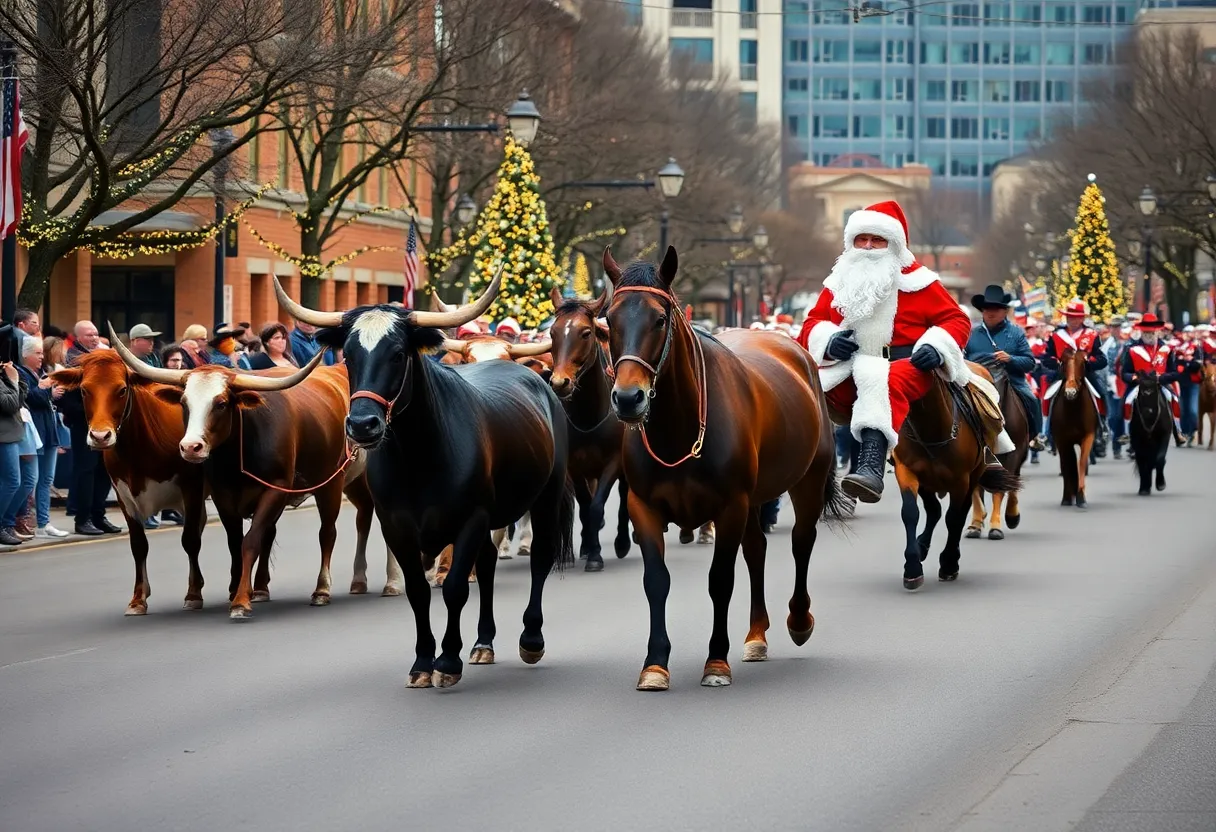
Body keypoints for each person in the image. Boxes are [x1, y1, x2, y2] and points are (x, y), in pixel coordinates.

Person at [796, 199, 1013, 503]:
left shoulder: (920, 281)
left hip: (909, 364)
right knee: (798, 389)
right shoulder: (839, 280)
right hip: (851, 363)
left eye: (877, 239)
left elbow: (956, 319)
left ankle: (871, 467)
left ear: (893, 242)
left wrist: (936, 347)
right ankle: (789, 465)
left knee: (884, 381)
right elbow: (813, 322)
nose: (869, 246)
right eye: (862, 239)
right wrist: (828, 340)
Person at [60, 320, 121, 536]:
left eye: (96, 334)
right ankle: (82, 519)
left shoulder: (103, 360)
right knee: (86, 471)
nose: (94, 338)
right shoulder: (74, 363)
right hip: (84, 426)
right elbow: (67, 403)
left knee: (103, 471)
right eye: (88, 335)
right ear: (78, 338)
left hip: (104, 426)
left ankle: (98, 515)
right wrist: (93, 414)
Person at [964, 285, 1044, 450]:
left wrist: (1011, 359)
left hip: (1012, 380)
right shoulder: (970, 334)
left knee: (1032, 399)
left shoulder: (1016, 333)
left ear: (1004, 311)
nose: (990, 312)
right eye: (986, 309)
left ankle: (1035, 436)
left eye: (996, 308)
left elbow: (1030, 363)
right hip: (976, 383)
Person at [17, 338, 68, 538]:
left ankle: (44, 522)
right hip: (35, 434)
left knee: (46, 479)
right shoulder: (22, 373)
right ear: (26, 355)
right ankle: (17, 519)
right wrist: (47, 388)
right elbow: (31, 398)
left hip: (49, 433)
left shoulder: (41, 373)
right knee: (31, 480)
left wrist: (50, 390)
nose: (41, 357)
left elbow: (50, 401)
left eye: (41, 353)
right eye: (37, 353)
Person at [1040, 299, 1109, 443]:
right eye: (1070, 316)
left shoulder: (1092, 334)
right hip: (1062, 375)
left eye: (1076, 317)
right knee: (1048, 397)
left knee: (1101, 392)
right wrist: (1057, 363)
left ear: (1082, 318)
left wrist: (1089, 363)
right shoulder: (1056, 335)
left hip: (1086, 374)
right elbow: (1047, 357)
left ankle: (1103, 427)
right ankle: (1046, 432)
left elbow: (1101, 358)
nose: (1073, 320)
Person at [1120, 313, 1182, 439]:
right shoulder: (1132, 349)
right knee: (1127, 401)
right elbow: (1124, 372)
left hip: (1161, 383)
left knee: (1174, 399)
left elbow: (1175, 373)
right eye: (1146, 332)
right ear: (1141, 332)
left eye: (1152, 332)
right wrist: (1134, 378)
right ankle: (1126, 433)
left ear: (1158, 332)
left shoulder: (1166, 349)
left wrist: (1162, 378)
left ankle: (1178, 431)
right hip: (1139, 384)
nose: (1149, 335)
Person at [0, 357, 31, 545]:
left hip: (10, 435)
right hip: (4, 437)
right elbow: (10, 404)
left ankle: (5, 525)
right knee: (12, 482)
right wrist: (13, 380)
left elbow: (20, 399)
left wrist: (16, 379)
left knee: (12, 482)